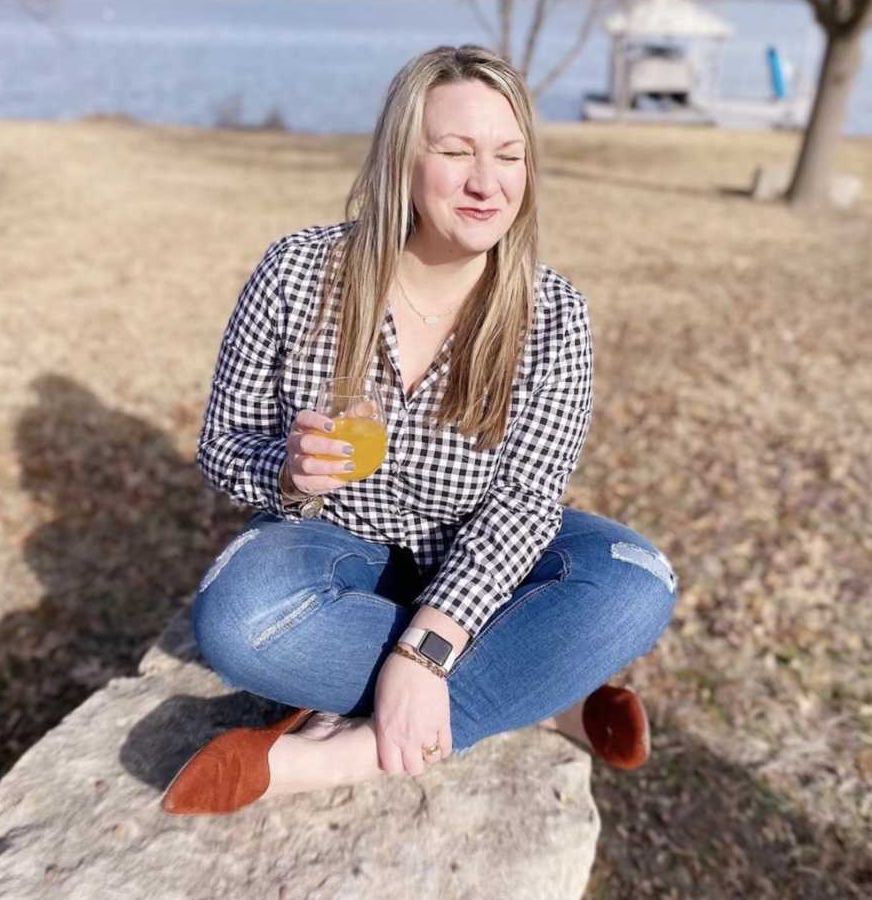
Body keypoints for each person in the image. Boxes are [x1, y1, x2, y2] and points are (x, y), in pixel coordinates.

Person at [161, 44, 678, 815]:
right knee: (236, 621)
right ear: (402, 158)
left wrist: (425, 652)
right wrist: (287, 472)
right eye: (455, 151)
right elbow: (223, 448)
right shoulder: (298, 273)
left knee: (637, 581)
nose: (486, 182)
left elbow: (528, 502)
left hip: (479, 549)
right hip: (337, 546)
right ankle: (542, 692)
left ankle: (342, 756)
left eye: (509, 155)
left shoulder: (553, 312)